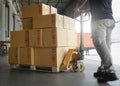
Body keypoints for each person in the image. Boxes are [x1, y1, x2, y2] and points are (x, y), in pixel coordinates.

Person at [74, 0, 118, 83]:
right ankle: (102, 70)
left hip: (99, 20)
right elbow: (101, 3)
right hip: (109, 20)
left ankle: (110, 70)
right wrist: (90, 9)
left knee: (99, 42)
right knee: (106, 46)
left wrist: (77, 6)